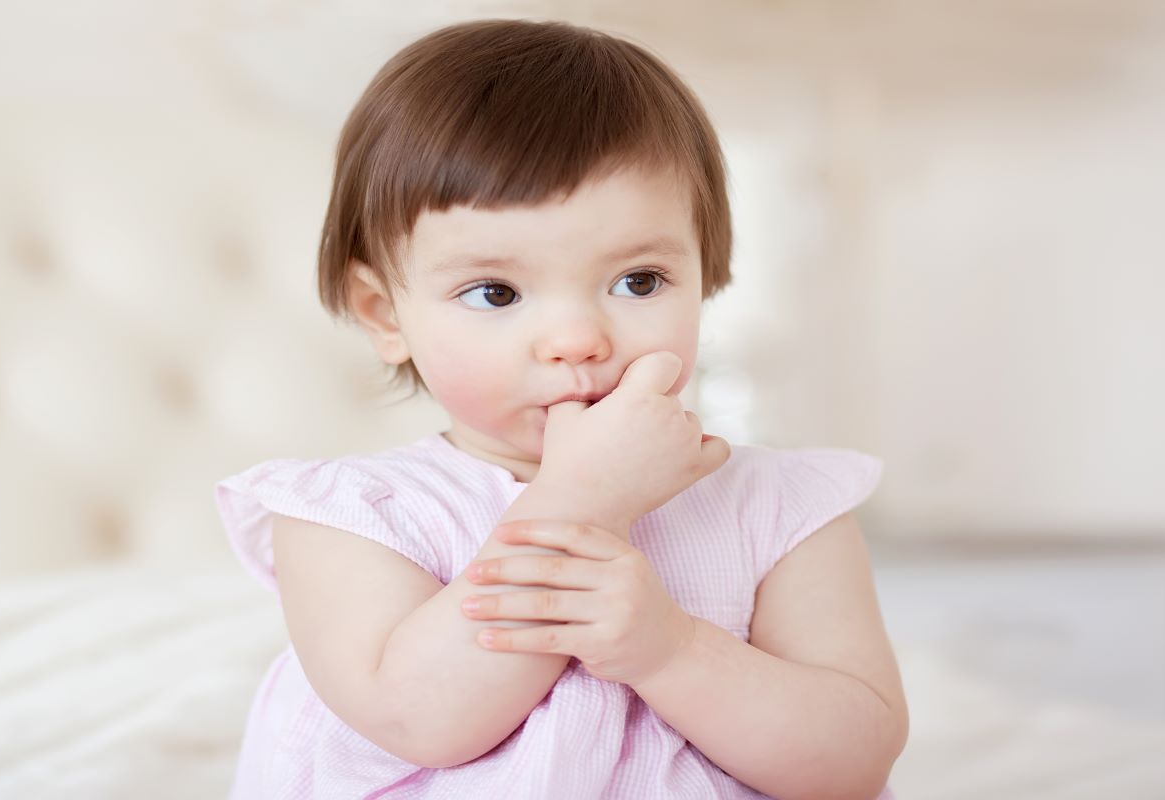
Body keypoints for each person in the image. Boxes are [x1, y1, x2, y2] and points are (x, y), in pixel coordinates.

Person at [214, 17, 907, 800]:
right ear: (383, 314)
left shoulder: (780, 508)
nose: (577, 340)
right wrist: (581, 503)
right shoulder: (353, 518)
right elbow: (417, 720)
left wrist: (671, 651)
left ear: (707, 276)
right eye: (496, 293)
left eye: (639, 281)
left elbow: (853, 763)